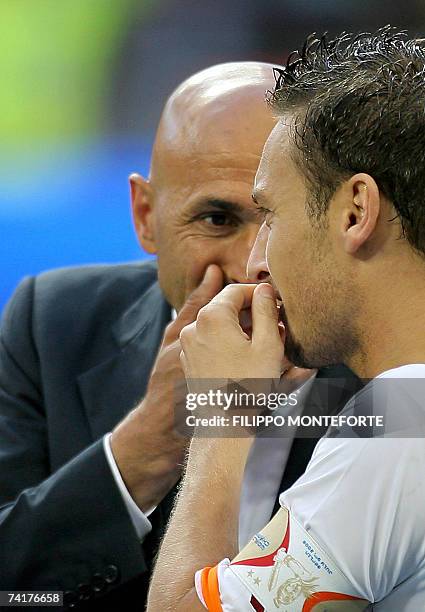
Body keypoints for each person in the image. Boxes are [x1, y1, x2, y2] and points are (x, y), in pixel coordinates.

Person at [148, 28, 425, 611]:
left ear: (356, 211)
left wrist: (222, 416)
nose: (255, 262)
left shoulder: (403, 421)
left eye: (271, 215)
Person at [0, 62, 278, 608]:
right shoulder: (53, 322)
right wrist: (148, 443)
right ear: (146, 215)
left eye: (279, 219)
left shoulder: (388, 357)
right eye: (218, 219)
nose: (253, 265)